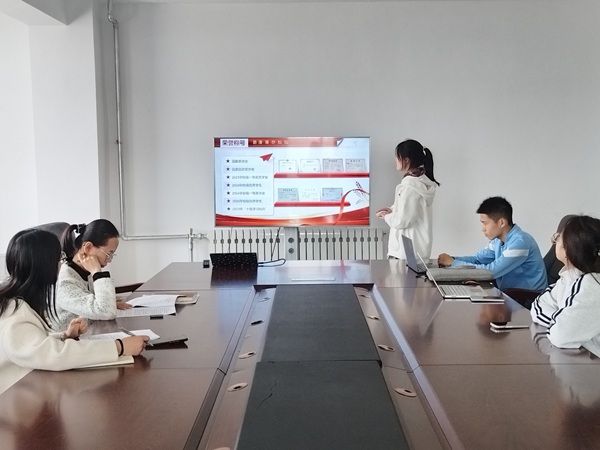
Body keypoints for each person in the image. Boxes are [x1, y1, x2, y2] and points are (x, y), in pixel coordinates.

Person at [0, 228, 148, 394]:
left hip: (27, 389)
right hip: (13, 400)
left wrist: (64, 336)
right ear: (44, 266)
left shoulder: (15, 304)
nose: (61, 264)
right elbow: (54, 356)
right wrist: (119, 347)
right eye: (59, 258)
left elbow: (33, 347)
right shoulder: (15, 319)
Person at [438, 196, 547, 291]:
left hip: (526, 299)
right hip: (509, 294)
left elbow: (491, 272)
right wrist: (453, 259)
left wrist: (453, 263)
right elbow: (477, 259)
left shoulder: (520, 243)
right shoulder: (498, 241)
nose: (483, 229)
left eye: (485, 223)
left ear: (501, 222)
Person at [530, 215, 600, 357]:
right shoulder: (569, 278)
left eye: (558, 237)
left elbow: (560, 336)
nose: (555, 240)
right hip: (583, 357)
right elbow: (538, 305)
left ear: (569, 249)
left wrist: (563, 324)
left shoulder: (591, 285)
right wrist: (561, 321)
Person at [53, 219, 130, 331]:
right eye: (109, 254)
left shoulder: (84, 272)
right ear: (88, 247)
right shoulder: (65, 282)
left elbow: (95, 305)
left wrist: (111, 303)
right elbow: (107, 312)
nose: (109, 260)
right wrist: (97, 273)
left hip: (90, 334)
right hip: (70, 340)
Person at [376, 139, 439, 259]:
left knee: (403, 273)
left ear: (406, 160)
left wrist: (386, 216)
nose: (395, 160)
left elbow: (402, 220)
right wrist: (391, 209)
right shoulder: (419, 183)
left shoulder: (410, 187)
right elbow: (408, 210)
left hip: (406, 252)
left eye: (397, 156)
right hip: (414, 250)